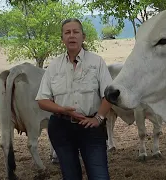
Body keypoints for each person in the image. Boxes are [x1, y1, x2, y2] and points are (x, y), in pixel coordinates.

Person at [35, 18, 113, 180]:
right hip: (61, 128)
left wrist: (98, 119)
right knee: (70, 176)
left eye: (76, 32)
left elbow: (109, 95)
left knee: (100, 176)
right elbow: (42, 100)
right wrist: (62, 110)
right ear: (62, 38)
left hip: (91, 128)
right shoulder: (54, 66)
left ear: (83, 37)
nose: (72, 36)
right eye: (67, 32)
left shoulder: (96, 62)